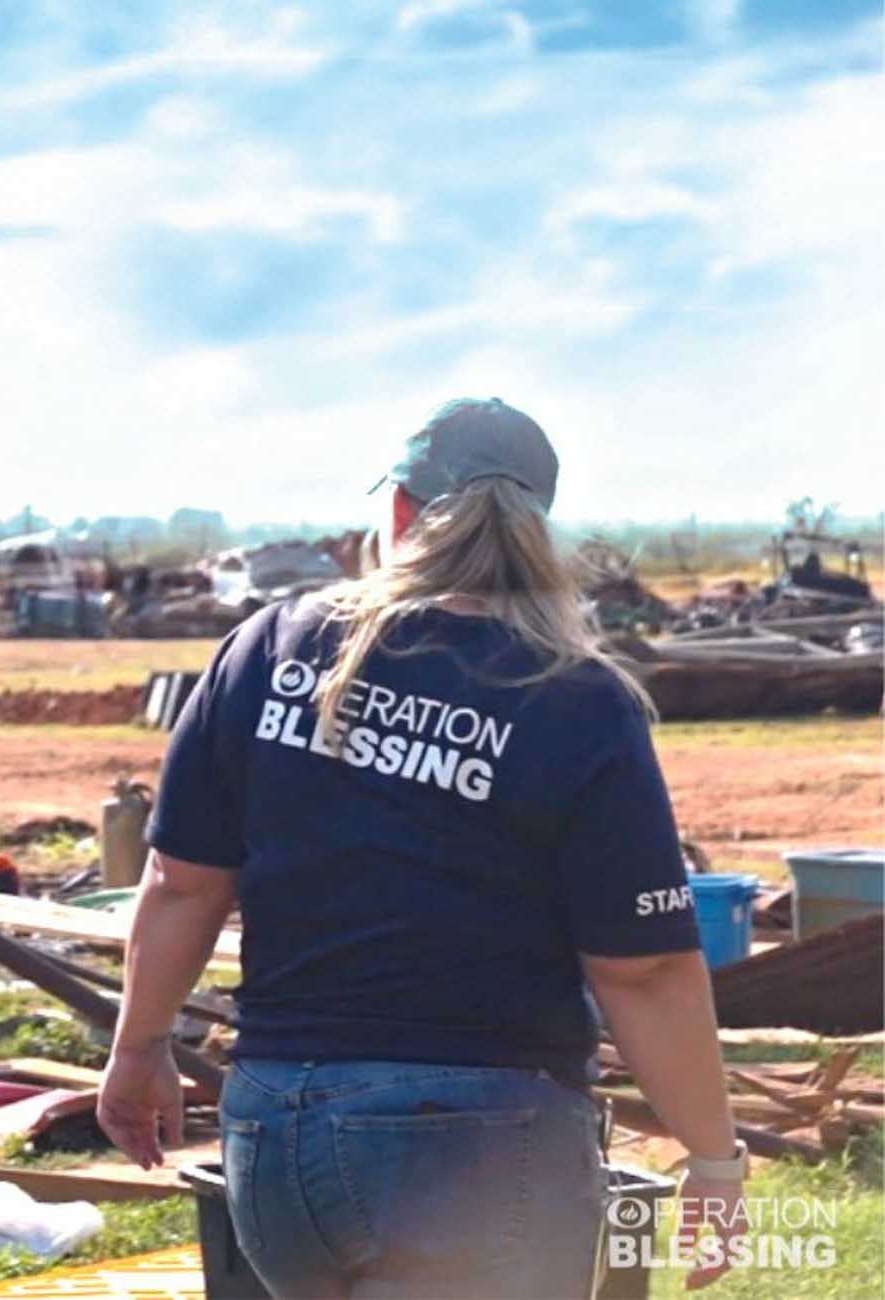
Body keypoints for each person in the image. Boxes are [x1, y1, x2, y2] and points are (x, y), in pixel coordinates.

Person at [98, 399, 749, 1298]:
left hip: (278, 1135)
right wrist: (714, 1162)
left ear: (399, 513)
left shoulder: (270, 648)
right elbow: (644, 971)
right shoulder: (576, 697)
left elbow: (180, 884)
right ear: (539, 532)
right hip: (483, 1139)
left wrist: (138, 1049)